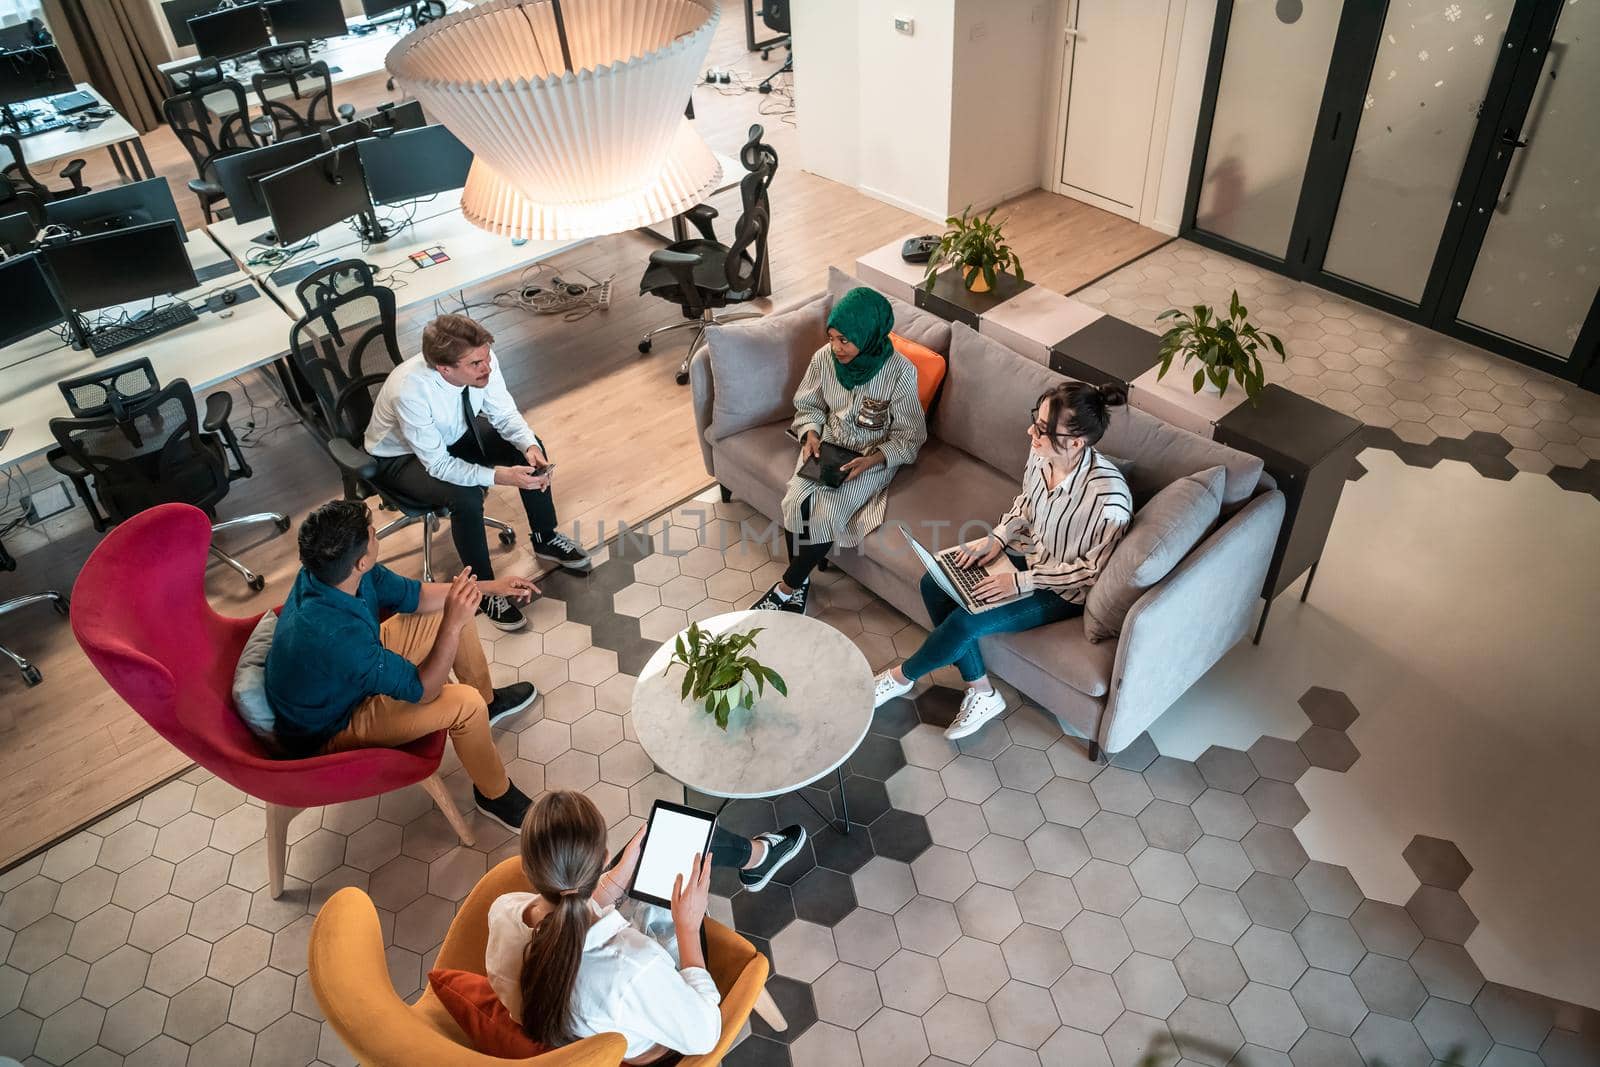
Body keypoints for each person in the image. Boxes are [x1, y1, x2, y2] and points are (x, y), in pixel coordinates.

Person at [873, 382, 1134, 741]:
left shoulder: (1108, 501)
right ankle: (982, 691)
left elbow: (1091, 573)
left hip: (1061, 589)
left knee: (967, 621)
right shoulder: (1042, 456)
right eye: (1035, 420)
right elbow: (1026, 503)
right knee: (934, 582)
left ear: (1077, 443)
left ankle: (899, 679)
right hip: (1027, 554)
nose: (1031, 432)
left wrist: (1020, 582)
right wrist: (996, 538)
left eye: (1042, 429)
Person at [265, 499, 541, 830]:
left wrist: (489, 587)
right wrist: (452, 626)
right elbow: (423, 690)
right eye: (371, 532)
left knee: (455, 603)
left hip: (349, 673)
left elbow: (418, 595)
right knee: (464, 702)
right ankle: (494, 795)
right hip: (335, 724)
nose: (375, 531)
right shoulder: (333, 636)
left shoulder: (334, 573)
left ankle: (489, 704)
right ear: (362, 561)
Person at [485, 792, 807, 1063]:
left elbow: (567, 914)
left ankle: (755, 857)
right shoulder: (634, 965)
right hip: (650, 1045)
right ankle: (756, 858)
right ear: (602, 859)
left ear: (528, 868)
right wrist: (688, 928)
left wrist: (613, 881)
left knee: (653, 853)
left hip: (594, 1019)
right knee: (689, 848)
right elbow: (705, 1034)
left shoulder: (504, 911)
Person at [364, 313, 591, 633]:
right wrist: (501, 476)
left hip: (455, 433)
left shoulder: (482, 360)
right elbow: (439, 465)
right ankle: (484, 589)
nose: (486, 367)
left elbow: (503, 413)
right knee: (465, 495)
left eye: (486, 357)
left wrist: (528, 445)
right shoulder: (410, 391)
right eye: (475, 364)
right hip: (402, 459)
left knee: (527, 447)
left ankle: (545, 538)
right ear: (445, 369)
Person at [751, 287, 927, 614]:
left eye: (845, 340)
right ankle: (800, 586)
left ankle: (785, 590)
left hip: (870, 458)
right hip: (828, 444)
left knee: (826, 516)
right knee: (793, 502)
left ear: (868, 335)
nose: (836, 347)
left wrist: (874, 459)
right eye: (832, 337)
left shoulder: (900, 372)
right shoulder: (824, 359)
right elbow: (809, 405)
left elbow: (910, 435)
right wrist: (811, 435)